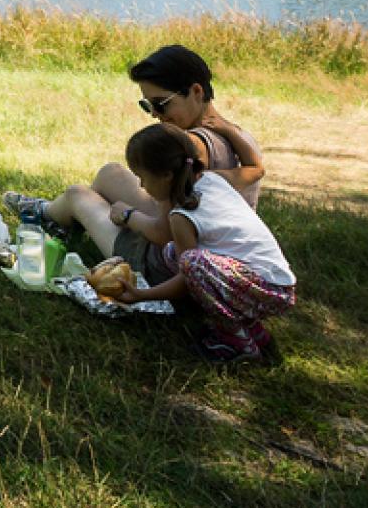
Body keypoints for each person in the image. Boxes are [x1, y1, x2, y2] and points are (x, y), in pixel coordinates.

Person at [2, 44, 266, 289]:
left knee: (77, 195)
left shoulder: (185, 150)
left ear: (196, 92)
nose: (155, 114)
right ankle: (59, 220)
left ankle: (46, 214)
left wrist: (129, 216)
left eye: (161, 104)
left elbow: (165, 232)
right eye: (147, 106)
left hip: (166, 266)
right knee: (110, 173)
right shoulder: (239, 138)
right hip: (218, 253)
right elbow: (249, 174)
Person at [109, 122, 295, 362]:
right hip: (274, 284)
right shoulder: (210, 179)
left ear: (166, 176)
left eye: (142, 178)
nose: (142, 186)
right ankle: (253, 330)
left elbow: (186, 279)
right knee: (172, 252)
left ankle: (236, 341)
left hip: (267, 290)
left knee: (191, 262)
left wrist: (143, 295)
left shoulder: (181, 216)